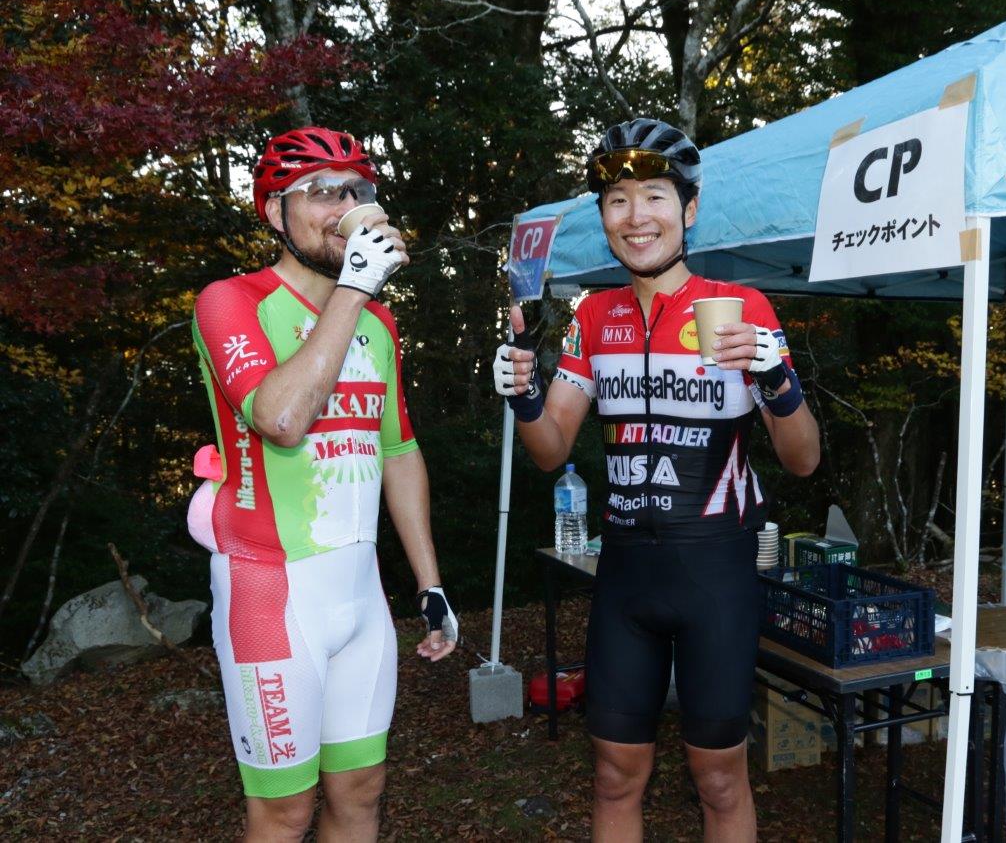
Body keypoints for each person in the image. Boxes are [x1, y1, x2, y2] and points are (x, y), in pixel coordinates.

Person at [492, 118, 820, 841]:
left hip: (716, 572)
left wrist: (777, 379)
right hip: (626, 577)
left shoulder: (742, 309)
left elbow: (802, 460)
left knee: (720, 780)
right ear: (604, 217)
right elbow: (550, 450)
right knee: (614, 774)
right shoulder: (592, 315)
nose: (635, 216)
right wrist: (524, 394)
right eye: (617, 200)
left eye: (654, 197)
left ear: (689, 210)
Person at [189, 126, 458, 842]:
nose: (343, 206)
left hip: (361, 596)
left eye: (356, 190)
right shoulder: (230, 300)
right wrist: (354, 288)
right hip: (270, 593)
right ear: (275, 214)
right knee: (284, 813)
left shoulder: (380, 324)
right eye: (319, 192)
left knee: (361, 793)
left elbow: (399, 451)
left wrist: (429, 583)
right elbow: (281, 417)